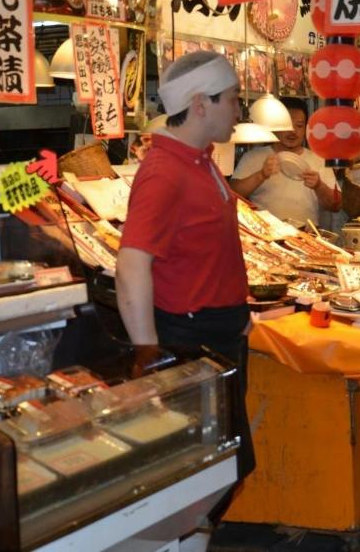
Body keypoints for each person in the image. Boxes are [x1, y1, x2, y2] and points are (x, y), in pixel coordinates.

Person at [115, 51, 252, 552]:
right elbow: (131, 264)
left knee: (221, 467)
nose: (239, 109)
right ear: (200, 104)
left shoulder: (201, 161)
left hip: (219, 333)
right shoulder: (163, 172)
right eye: (233, 99)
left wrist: (239, 316)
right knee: (204, 472)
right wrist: (147, 351)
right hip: (189, 341)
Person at [230, 97, 341, 227]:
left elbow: (336, 205)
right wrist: (261, 175)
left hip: (308, 237)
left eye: (299, 125)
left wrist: (319, 186)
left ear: (306, 127)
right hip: (266, 236)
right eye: (286, 125)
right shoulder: (254, 157)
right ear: (274, 125)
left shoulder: (318, 160)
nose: (292, 131)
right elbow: (231, 195)